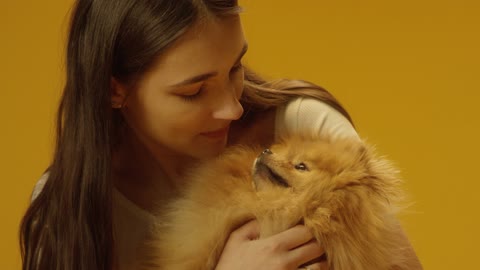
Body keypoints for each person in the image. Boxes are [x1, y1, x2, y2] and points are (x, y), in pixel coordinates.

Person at [20, 0, 422, 269]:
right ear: (114, 89)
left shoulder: (306, 130)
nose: (233, 107)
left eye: (235, 67)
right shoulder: (68, 208)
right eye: (194, 92)